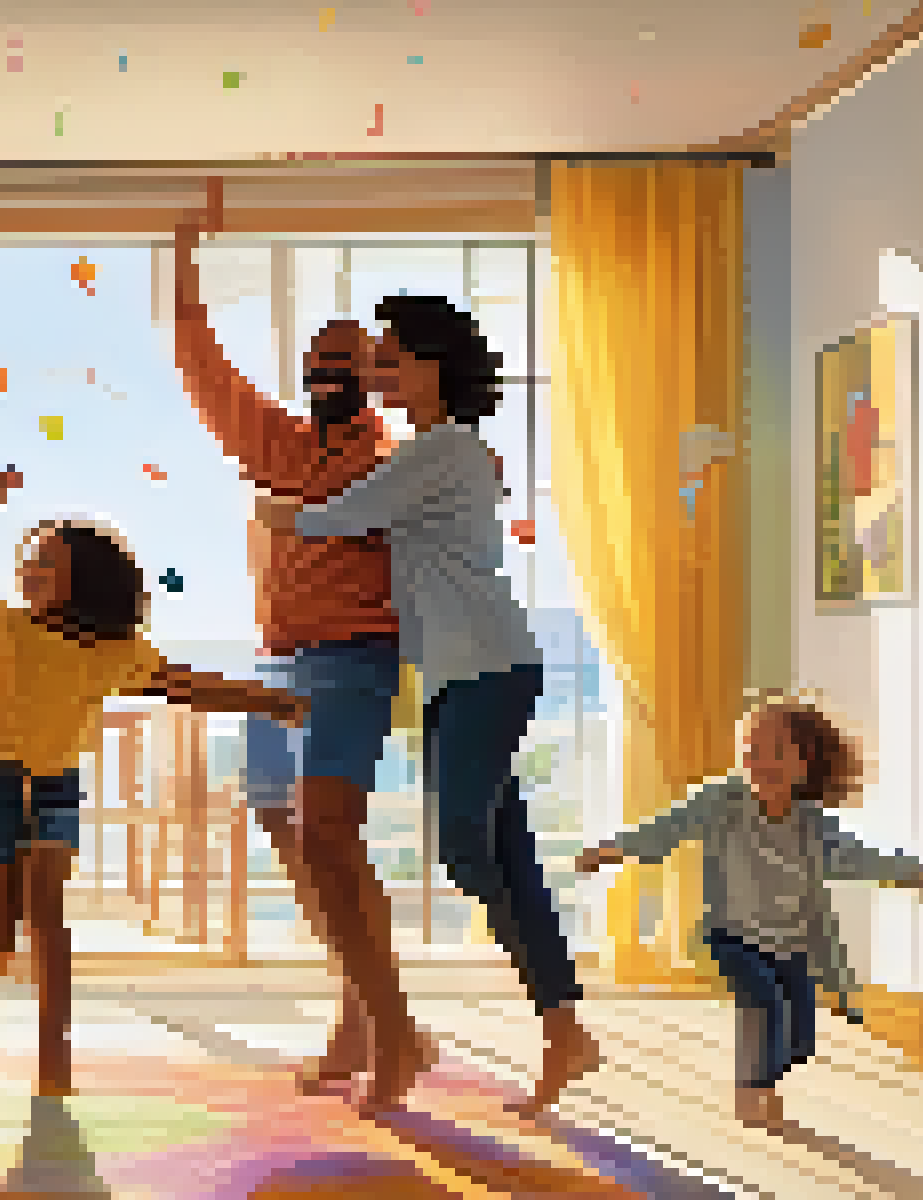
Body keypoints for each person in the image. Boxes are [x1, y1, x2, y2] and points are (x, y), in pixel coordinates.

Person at [259, 293, 595, 1116]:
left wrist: (276, 510)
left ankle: (493, 1023)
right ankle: (563, 1028)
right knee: (504, 848)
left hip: (489, 667)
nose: (381, 374)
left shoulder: (443, 452)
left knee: (465, 853)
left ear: (435, 365)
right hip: (455, 678)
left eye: (393, 359)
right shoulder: (436, 453)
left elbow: (340, 516)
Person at [0, 468, 308, 1097]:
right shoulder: (3, 624)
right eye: (28, 561)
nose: (29, 570)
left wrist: (275, 702)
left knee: (47, 915)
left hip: (54, 787)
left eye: (46, 563)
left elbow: (191, 687)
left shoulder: (112, 652)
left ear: (82, 581)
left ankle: (53, 1060)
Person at [170, 222, 404, 1100]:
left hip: (354, 658)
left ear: (371, 374)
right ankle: (356, 999)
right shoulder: (279, 443)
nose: (326, 374)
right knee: (282, 824)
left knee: (331, 838)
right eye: (316, 361)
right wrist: (184, 266)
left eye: (343, 360)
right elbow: (205, 370)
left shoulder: (391, 459)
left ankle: (383, 1029)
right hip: (277, 666)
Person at [576, 693, 923, 1128]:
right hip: (729, 934)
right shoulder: (721, 803)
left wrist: (912, 874)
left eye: (774, 751)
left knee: (800, 1035)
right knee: (763, 1002)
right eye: (749, 752)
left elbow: (855, 857)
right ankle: (752, 1091)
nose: (759, 762)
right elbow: (667, 829)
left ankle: (768, 1073)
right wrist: (612, 850)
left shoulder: (812, 823)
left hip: (790, 942)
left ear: (804, 764)